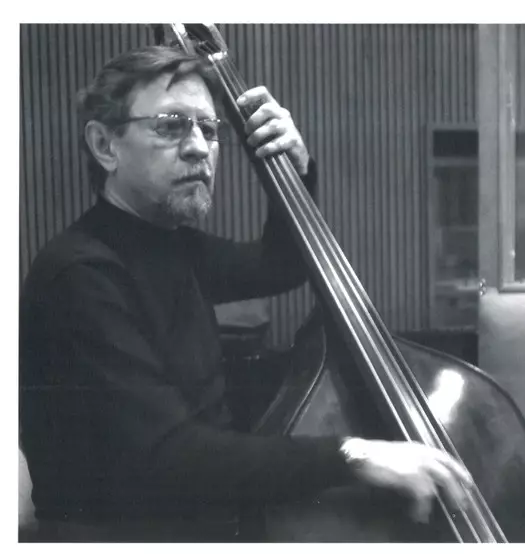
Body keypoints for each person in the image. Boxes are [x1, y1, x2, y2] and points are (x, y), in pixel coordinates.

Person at [19, 45, 473, 542]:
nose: (199, 147)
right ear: (105, 145)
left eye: (209, 129)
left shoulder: (170, 245)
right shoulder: (80, 275)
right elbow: (168, 456)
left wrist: (294, 171)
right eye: (171, 126)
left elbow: (281, 265)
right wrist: (354, 454)